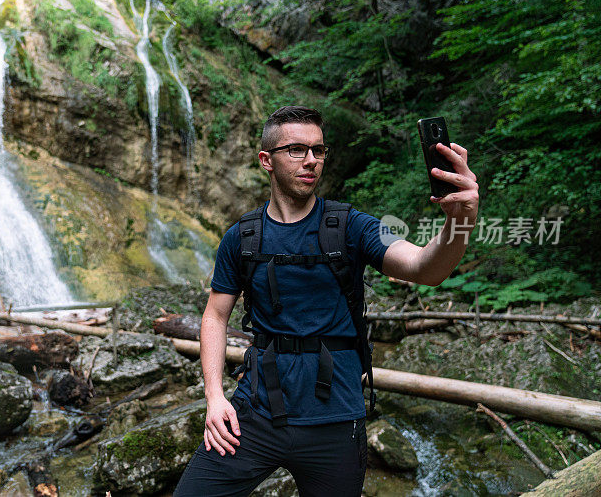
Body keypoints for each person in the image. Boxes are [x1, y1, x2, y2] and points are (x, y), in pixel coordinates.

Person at [173, 105, 479, 496]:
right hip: (256, 413)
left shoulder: (352, 226)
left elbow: (424, 268)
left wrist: (460, 220)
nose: (311, 161)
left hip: (336, 422)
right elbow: (215, 317)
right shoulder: (242, 237)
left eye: (319, 150)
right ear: (266, 160)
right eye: (297, 150)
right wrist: (215, 398)